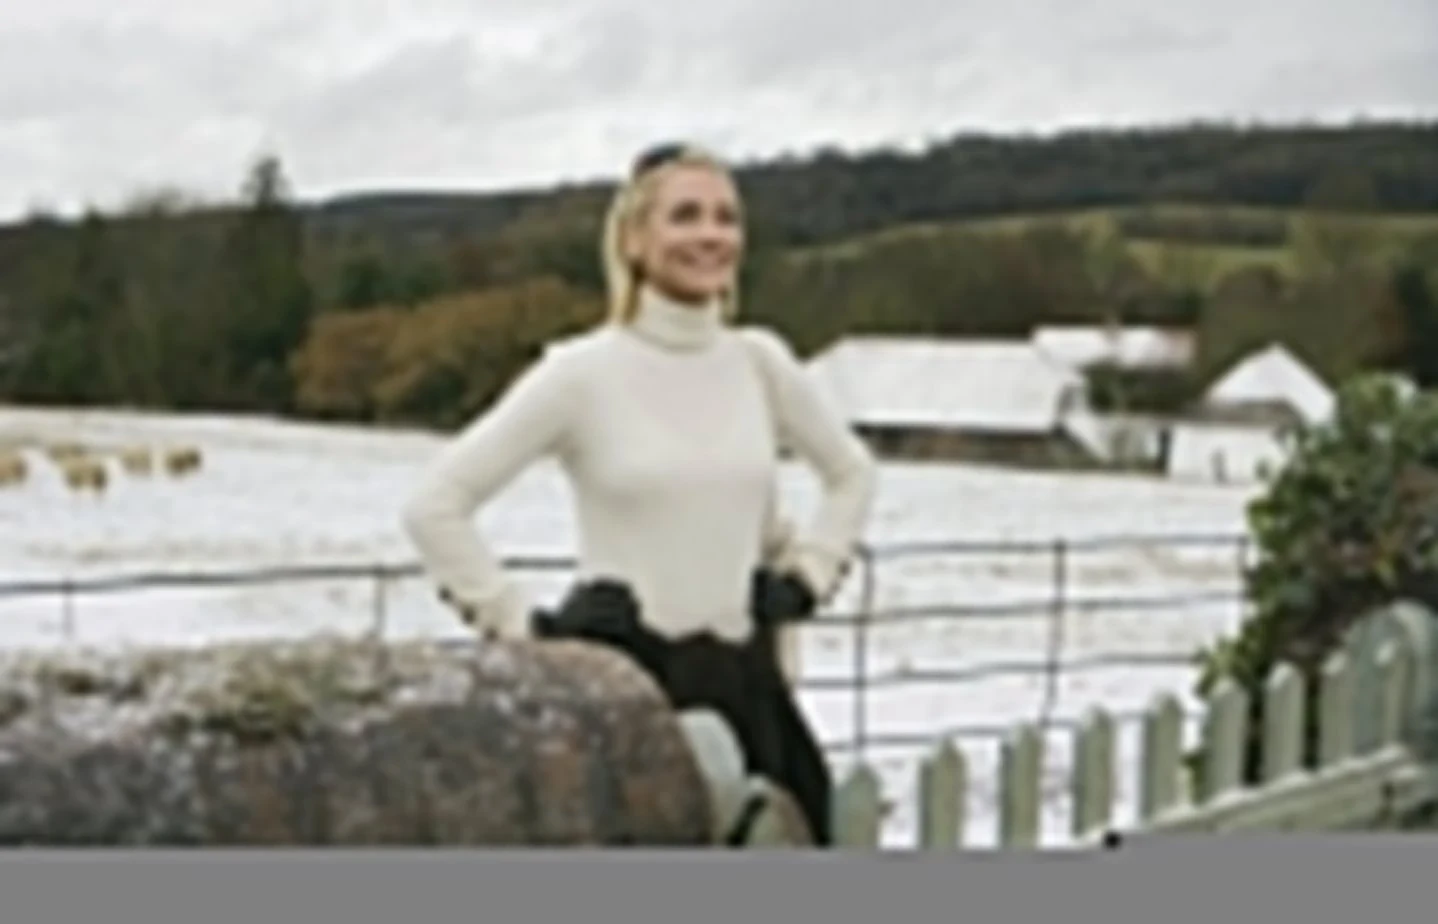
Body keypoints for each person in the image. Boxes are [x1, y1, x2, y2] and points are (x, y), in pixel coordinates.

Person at [400, 141, 877, 846]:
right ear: (632, 239)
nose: (711, 235)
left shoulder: (760, 362)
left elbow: (852, 472)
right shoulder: (580, 374)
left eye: (726, 217)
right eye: (685, 216)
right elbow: (435, 506)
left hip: (754, 701)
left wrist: (809, 576)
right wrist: (530, 632)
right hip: (626, 709)